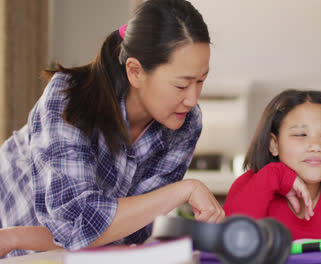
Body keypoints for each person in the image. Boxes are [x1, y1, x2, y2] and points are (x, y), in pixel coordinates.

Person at [0, 0, 224, 257]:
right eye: (181, 86)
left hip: (42, 241)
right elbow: (77, 223)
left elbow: (124, 233)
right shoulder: (68, 99)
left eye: (201, 81)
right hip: (14, 212)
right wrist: (184, 189)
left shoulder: (185, 125)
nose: (193, 99)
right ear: (135, 72)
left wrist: (14, 237)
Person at [223, 89, 321, 244]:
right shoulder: (249, 183)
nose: (316, 146)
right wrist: (274, 174)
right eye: (301, 135)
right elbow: (232, 245)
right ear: (274, 144)